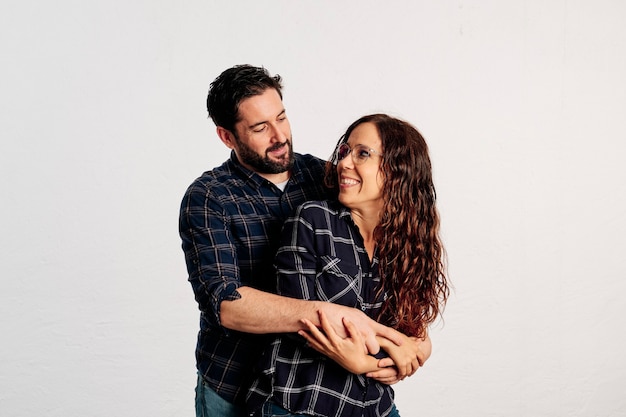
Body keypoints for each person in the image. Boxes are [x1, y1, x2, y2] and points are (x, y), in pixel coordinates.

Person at [179, 66, 426, 417]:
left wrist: (416, 342)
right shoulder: (208, 197)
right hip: (234, 383)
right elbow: (226, 304)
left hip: (321, 384)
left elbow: (385, 246)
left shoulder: (327, 177)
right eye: (260, 127)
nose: (279, 135)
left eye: (281, 117)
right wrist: (341, 318)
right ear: (227, 137)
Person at [247, 114, 450, 417]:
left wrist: (417, 348)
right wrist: (376, 359)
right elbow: (301, 319)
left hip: (375, 407)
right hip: (300, 405)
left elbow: (414, 333)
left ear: (398, 170)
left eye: (362, 154)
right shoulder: (313, 220)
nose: (343, 163)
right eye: (345, 151)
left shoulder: (409, 244)